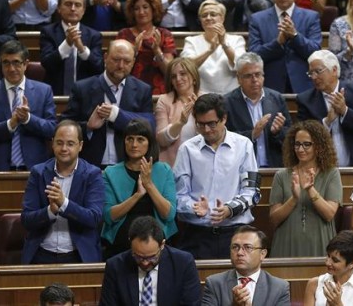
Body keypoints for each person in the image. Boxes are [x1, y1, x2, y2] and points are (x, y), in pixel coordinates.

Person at [173, 93, 258, 259]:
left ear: (224, 118)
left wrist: (229, 210)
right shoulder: (187, 149)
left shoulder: (243, 145)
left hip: (235, 233)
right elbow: (178, 195)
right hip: (197, 234)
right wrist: (194, 208)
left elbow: (252, 192)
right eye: (201, 124)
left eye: (211, 124)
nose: (206, 130)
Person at [21, 120, 105, 264]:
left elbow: (94, 218)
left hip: (78, 255)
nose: (64, 148)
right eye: (59, 143)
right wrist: (50, 211)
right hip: (42, 254)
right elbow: (26, 220)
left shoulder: (93, 174)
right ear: (52, 144)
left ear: (81, 146)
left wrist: (64, 203)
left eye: (70, 143)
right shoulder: (38, 173)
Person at [60, 39, 154, 169]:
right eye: (116, 60)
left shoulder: (143, 90)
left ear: (133, 62)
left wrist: (116, 115)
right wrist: (88, 127)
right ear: (105, 57)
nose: (121, 65)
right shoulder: (82, 88)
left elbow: (149, 126)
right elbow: (64, 124)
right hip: (90, 165)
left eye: (126, 61)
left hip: (128, 165)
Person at [0, 40, 57, 171]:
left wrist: (28, 119)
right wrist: (10, 124)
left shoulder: (43, 91)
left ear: (26, 64)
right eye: (6, 63)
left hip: (35, 169)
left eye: (16, 62)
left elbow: (51, 130)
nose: (11, 69)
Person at [101, 119, 177, 260]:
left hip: (158, 244)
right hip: (121, 244)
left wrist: (149, 185)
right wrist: (137, 195)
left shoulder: (164, 170)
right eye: (129, 139)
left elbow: (169, 214)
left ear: (150, 143)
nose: (134, 144)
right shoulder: (110, 173)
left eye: (140, 139)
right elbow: (109, 216)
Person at [269, 120, 341, 257]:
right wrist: (294, 199)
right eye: (297, 144)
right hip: (286, 245)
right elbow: (274, 219)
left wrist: (310, 190)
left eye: (307, 144)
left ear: (319, 146)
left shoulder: (331, 173)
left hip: (320, 245)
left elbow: (329, 214)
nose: (300, 149)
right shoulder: (281, 176)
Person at [248, 0, 322, 94]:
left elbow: (315, 52)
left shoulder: (311, 17)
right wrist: (277, 43)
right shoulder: (257, 19)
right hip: (270, 86)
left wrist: (295, 35)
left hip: (304, 85)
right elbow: (254, 56)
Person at [297, 50, 353, 167]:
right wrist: (326, 122)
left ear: (334, 70)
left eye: (318, 71)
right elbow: (301, 135)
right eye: (311, 73)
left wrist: (345, 111)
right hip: (321, 169)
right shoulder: (305, 100)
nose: (313, 77)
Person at [99, 216, 201, 305]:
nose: (145, 262)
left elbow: (191, 303)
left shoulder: (182, 263)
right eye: (138, 256)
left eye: (151, 257)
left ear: (162, 245)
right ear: (130, 243)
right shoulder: (115, 266)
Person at [224, 52, 292, 168]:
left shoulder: (277, 98)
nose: (254, 80)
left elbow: (290, 135)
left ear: (263, 76)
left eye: (258, 74)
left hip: (274, 168)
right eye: (248, 76)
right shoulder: (227, 102)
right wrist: (252, 134)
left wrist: (277, 132)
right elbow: (224, 138)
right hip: (242, 168)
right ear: (239, 78)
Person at [202, 225, 291, 305]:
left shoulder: (279, 287)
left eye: (248, 247)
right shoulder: (214, 284)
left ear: (262, 254)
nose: (240, 252)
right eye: (235, 247)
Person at [40, 0, 104, 96]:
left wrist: (81, 48)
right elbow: (47, 64)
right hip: (54, 94)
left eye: (78, 5)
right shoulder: (48, 32)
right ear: (59, 8)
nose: (73, 8)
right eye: (68, 4)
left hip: (85, 95)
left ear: (83, 11)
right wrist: (67, 43)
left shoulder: (94, 35)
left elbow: (99, 67)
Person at [116, 0, 176, 95]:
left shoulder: (164, 34)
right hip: (130, 91)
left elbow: (170, 71)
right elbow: (118, 69)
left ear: (153, 9)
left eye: (145, 7)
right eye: (136, 8)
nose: (141, 12)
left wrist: (157, 50)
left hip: (159, 92)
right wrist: (134, 51)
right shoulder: (124, 34)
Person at [180, 0, 247, 94]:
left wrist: (224, 44)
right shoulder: (191, 41)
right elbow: (186, 67)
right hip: (202, 96)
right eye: (204, 15)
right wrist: (210, 50)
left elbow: (242, 66)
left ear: (222, 18)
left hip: (231, 96)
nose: (208, 18)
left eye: (213, 14)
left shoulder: (237, 40)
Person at [303, 230, 353, 306]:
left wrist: (338, 304)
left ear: (352, 263)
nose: (327, 263)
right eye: (328, 256)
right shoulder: (314, 284)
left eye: (335, 260)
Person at [155, 58, 203, 167]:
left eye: (183, 74)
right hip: (173, 166)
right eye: (173, 76)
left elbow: (213, 135)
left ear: (194, 78)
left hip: (202, 164)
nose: (178, 79)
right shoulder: (164, 100)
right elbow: (161, 140)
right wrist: (180, 122)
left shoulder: (206, 99)